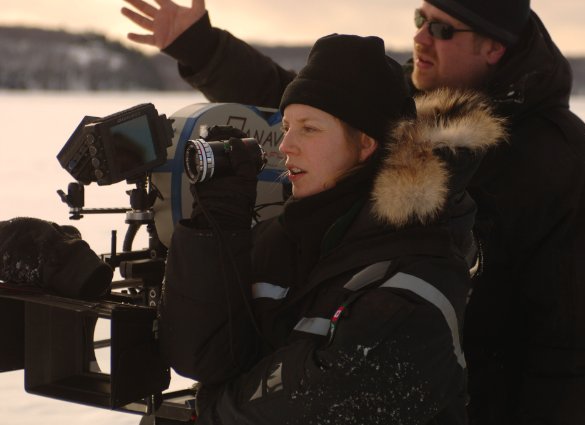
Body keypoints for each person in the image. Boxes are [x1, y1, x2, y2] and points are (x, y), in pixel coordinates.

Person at [122, 1, 585, 424]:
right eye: (420, 18)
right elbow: (312, 108)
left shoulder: (566, 162)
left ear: (493, 46)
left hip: (476, 397)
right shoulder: (403, 113)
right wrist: (205, 50)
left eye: (442, 29)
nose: (421, 37)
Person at [158, 33, 504, 424]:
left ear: (366, 143)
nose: (286, 145)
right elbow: (202, 355)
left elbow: (318, 400)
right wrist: (218, 221)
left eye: (309, 129)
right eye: (286, 126)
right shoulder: (287, 234)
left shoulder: (420, 265)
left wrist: (211, 407)